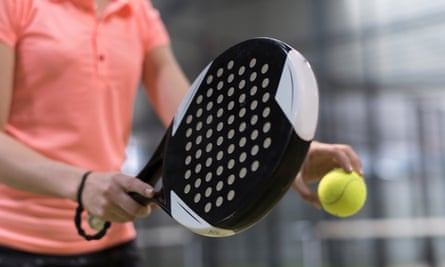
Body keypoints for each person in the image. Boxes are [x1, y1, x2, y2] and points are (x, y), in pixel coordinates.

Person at [0, 0, 362, 266]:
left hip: (113, 246)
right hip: (15, 245)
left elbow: (193, 117)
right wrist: (83, 184)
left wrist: (288, 151)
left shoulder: (136, 12)